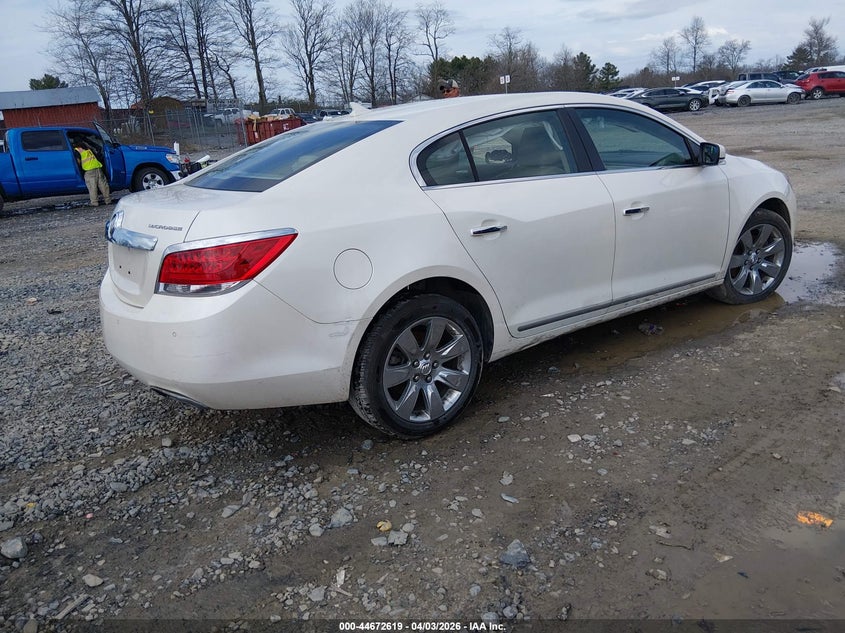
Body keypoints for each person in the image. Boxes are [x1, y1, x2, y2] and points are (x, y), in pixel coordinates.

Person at [74, 141, 112, 206]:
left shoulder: (77, 151)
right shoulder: (88, 149)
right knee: (103, 185)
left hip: (89, 171)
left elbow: (78, 162)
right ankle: (108, 200)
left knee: (92, 187)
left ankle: (94, 203)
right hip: (98, 168)